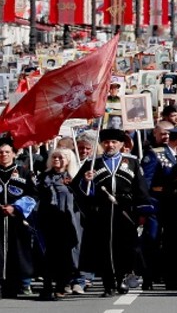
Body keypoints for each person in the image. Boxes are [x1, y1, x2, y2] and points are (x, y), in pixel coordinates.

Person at [72, 129, 152, 297]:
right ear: (102, 144)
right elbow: (77, 187)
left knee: (124, 248)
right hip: (101, 212)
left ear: (121, 144)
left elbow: (141, 188)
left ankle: (121, 278)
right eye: (107, 142)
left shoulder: (132, 162)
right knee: (103, 249)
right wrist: (86, 181)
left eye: (114, 142)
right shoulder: (92, 163)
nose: (110, 145)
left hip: (124, 211)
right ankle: (108, 284)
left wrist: (142, 211)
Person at [36, 148, 83, 301]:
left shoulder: (74, 177)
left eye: (61, 157)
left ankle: (62, 285)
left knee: (65, 253)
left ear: (68, 160)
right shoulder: (44, 176)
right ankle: (47, 286)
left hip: (67, 220)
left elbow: (82, 196)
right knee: (47, 254)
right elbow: (37, 194)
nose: (57, 160)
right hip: (48, 219)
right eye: (54, 157)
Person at [0, 138, 37, 298]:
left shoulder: (25, 172)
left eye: (7, 152)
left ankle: (20, 284)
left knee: (19, 252)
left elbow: (34, 195)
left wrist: (15, 207)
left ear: (14, 154)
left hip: (17, 219)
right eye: (0, 152)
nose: (3, 155)